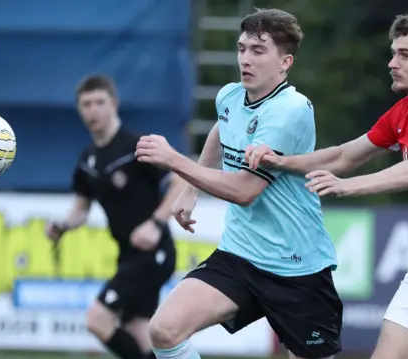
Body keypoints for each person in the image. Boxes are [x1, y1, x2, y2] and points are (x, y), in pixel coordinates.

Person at [245, 11, 408, 359]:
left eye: (404, 55)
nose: (392, 63)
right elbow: (344, 155)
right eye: (393, 53)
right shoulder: (403, 111)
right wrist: (281, 161)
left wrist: (348, 187)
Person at [134, 8, 343, 359]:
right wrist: (191, 190)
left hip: (296, 267)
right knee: (164, 330)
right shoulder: (230, 96)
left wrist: (175, 161)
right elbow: (222, 128)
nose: (245, 58)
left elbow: (245, 191)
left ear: (285, 62)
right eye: (242, 48)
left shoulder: (290, 110)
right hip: (239, 256)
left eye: (258, 51)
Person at [45, 75, 185, 359]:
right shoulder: (89, 159)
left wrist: (156, 223)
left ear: (114, 104)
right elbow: (81, 210)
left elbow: (179, 182)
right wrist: (63, 225)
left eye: (99, 102)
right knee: (139, 331)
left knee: (98, 319)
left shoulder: (137, 146)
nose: (93, 110)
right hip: (128, 255)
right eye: (86, 104)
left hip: (152, 252)